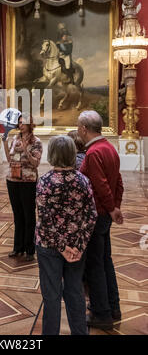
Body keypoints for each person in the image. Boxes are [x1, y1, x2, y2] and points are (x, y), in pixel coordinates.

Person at [36, 135, 97, 335]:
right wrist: (79, 245)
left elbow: (45, 220)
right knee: (75, 293)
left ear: (52, 154)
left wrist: (61, 247)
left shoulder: (45, 181)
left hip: (49, 246)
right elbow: (91, 216)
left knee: (51, 297)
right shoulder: (83, 181)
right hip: (76, 248)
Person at [77, 110, 124, 330]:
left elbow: (100, 184)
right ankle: (114, 308)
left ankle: (101, 313)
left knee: (95, 266)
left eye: (79, 127)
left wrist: (110, 207)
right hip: (105, 214)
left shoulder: (93, 153)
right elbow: (118, 182)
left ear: (85, 129)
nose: (78, 131)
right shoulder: (110, 148)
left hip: (96, 215)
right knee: (106, 261)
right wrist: (115, 206)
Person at [3, 113, 42, 261]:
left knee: (29, 215)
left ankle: (30, 249)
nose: (20, 125)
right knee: (17, 215)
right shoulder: (15, 139)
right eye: (19, 122)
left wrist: (26, 150)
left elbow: (35, 163)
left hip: (28, 181)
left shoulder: (36, 142)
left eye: (23, 122)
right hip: (13, 179)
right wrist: (5, 144)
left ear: (30, 124)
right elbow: (9, 159)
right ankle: (17, 248)